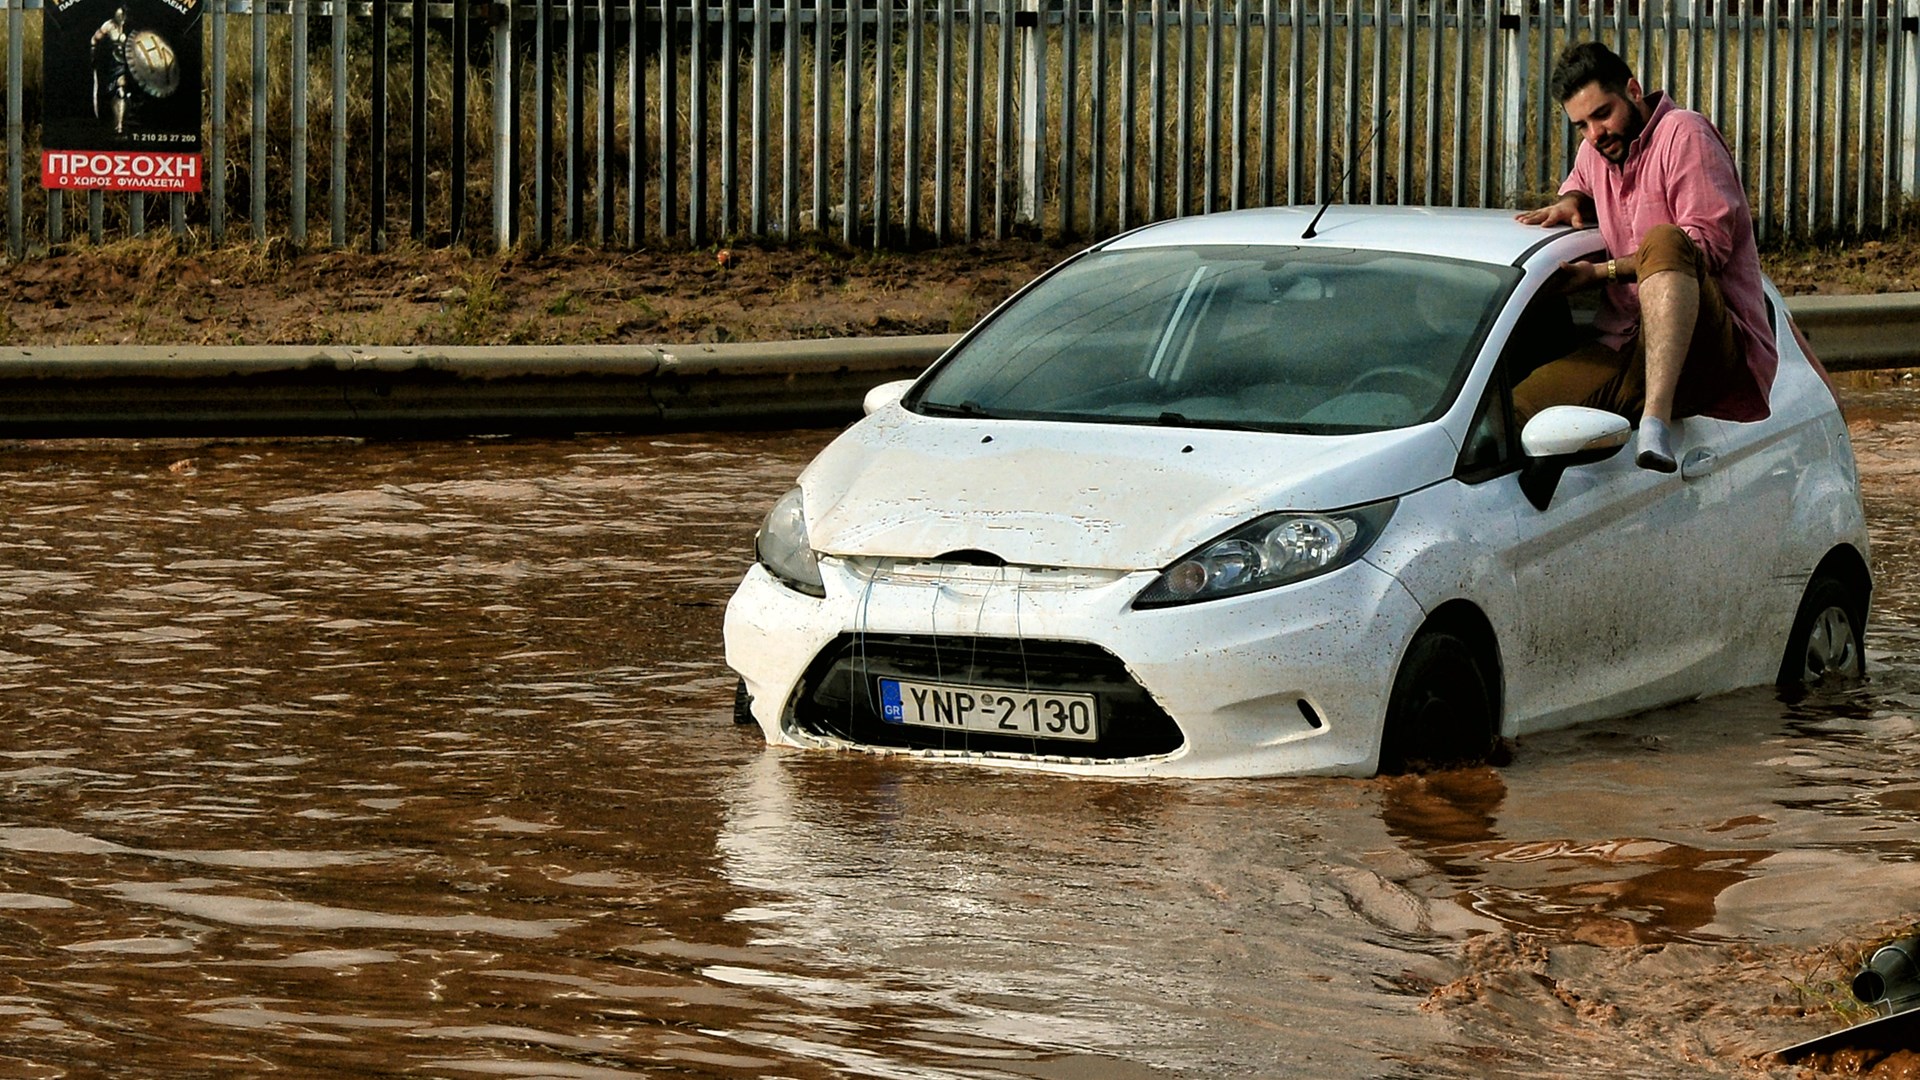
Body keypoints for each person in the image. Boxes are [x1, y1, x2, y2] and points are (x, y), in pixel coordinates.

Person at [1514, 41, 1776, 472]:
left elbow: (1705, 248)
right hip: (1624, 341)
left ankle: (1655, 423)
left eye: (1602, 114)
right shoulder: (1596, 151)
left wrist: (1601, 273)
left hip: (1708, 342)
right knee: (1514, 414)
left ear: (1633, 91)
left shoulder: (1684, 133)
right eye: (1581, 125)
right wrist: (1572, 199)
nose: (1595, 133)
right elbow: (1580, 179)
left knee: (1668, 241)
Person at [91, 6, 132, 137]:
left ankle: (119, 125)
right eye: (117, 15)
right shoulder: (108, 25)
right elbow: (94, 40)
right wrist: (93, 55)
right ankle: (111, 123)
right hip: (111, 63)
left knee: (121, 91)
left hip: (128, 63)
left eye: (121, 15)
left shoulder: (130, 25)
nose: (119, 17)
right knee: (113, 92)